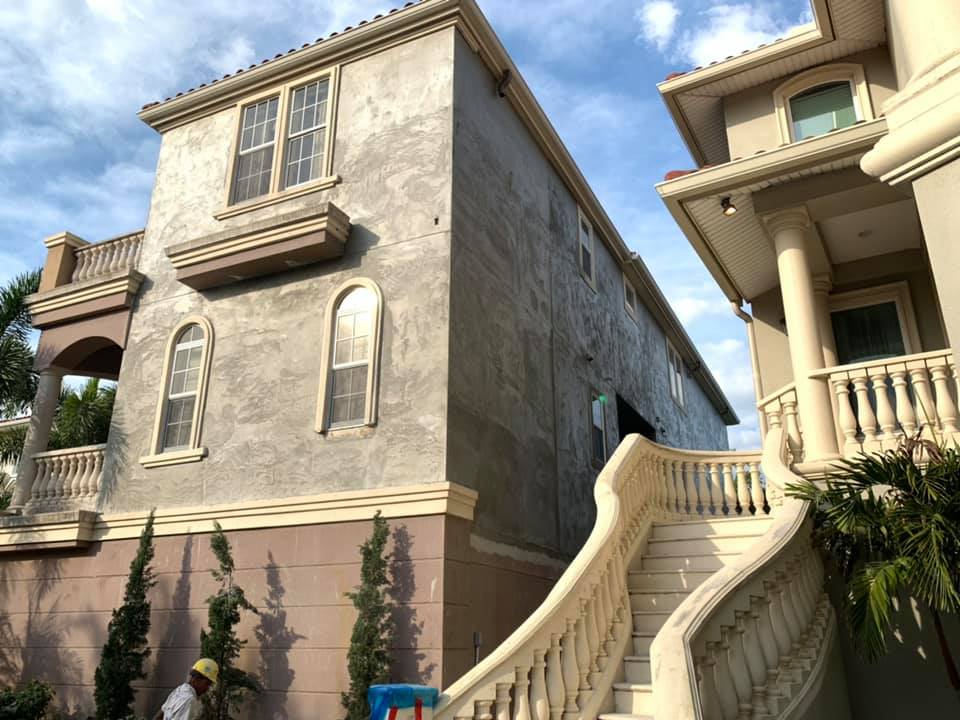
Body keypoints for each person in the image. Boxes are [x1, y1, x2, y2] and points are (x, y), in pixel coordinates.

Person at [153, 658, 219, 720]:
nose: (207, 688)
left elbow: (160, 715)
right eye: (207, 684)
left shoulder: (180, 690)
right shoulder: (189, 700)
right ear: (196, 678)